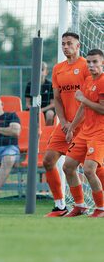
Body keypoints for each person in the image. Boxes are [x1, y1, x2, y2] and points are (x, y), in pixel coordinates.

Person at [42, 32, 90, 217]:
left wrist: (72, 126)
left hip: (85, 126)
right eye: (63, 43)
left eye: (69, 43)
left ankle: (93, 204)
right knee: (48, 161)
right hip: (65, 125)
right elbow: (57, 99)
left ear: (78, 46)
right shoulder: (57, 69)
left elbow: (87, 101)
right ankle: (61, 206)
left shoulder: (86, 66)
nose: (65, 46)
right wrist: (63, 122)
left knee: (92, 168)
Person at [63, 49, 104, 218]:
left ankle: (101, 208)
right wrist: (72, 128)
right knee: (68, 166)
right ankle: (80, 205)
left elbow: (102, 109)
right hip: (85, 132)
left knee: (89, 170)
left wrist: (84, 99)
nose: (91, 65)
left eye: (95, 62)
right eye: (89, 62)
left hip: (100, 133)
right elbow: (82, 107)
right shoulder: (87, 80)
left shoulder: (103, 81)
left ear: (102, 63)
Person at [25, 61, 55, 125]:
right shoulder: (30, 85)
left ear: (46, 72)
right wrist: (33, 109)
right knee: (26, 115)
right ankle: (32, 133)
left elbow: (53, 104)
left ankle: (46, 132)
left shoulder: (50, 85)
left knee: (50, 114)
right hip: (33, 110)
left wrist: (41, 110)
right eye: (37, 69)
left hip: (46, 109)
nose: (39, 72)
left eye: (41, 69)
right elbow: (27, 103)